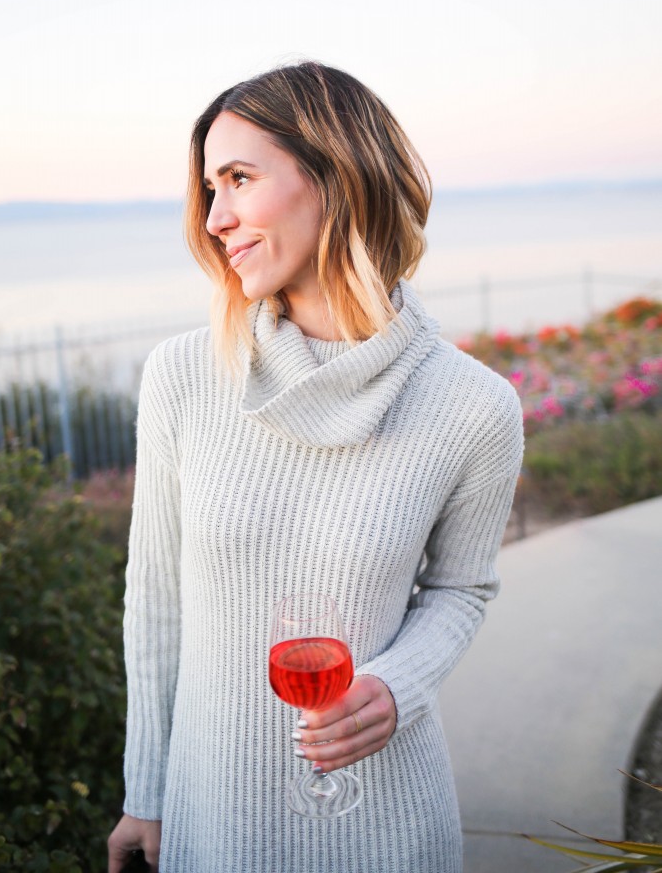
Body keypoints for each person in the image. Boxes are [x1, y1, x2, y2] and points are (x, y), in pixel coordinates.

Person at [107, 61, 524, 873]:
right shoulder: (185, 376)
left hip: (387, 824)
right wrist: (144, 795)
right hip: (213, 815)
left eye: (238, 179)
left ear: (337, 175)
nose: (215, 218)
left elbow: (460, 587)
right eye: (208, 188)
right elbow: (155, 596)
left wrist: (397, 685)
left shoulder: (473, 406)